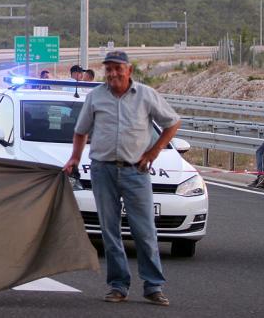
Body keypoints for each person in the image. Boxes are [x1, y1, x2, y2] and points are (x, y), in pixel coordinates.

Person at [63, 50, 181, 307]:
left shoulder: (146, 95)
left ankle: (153, 286)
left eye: (118, 68)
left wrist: (154, 151)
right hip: (102, 169)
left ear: (129, 70)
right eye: (109, 68)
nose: (113, 73)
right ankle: (118, 286)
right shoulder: (95, 96)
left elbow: (173, 123)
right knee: (110, 230)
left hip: (135, 171)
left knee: (144, 230)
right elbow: (81, 131)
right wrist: (74, 158)